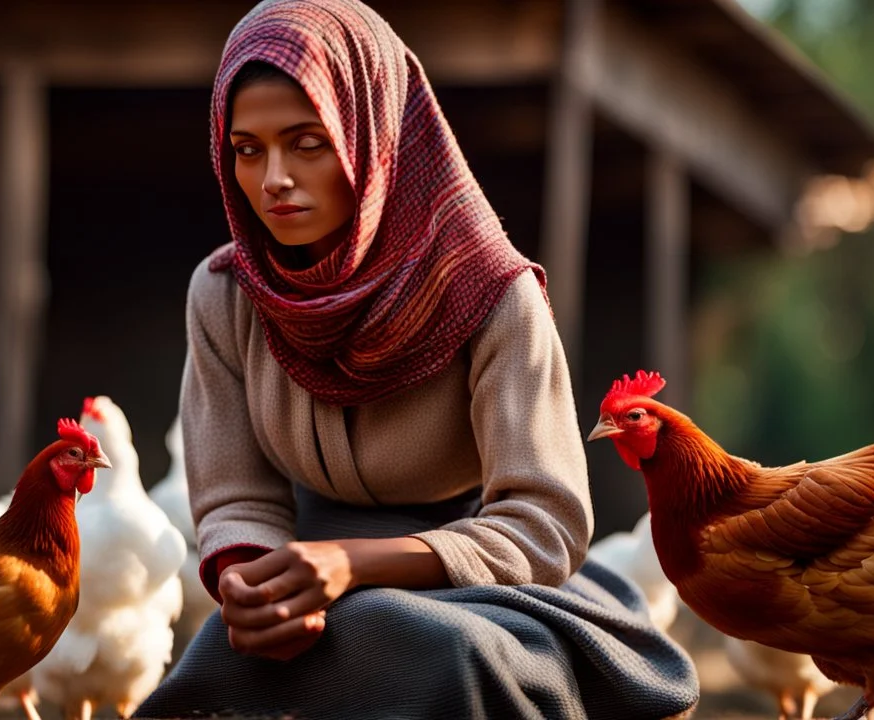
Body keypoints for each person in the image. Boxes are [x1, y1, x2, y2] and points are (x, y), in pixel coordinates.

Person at [135, 1, 700, 718]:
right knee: (215, 659)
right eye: (248, 149)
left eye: (307, 142)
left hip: (479, 588)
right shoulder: (226, 294)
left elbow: (544, 524)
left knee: (435, 647)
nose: (273, 177)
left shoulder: (494, 295)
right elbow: (235, 497)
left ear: (375, 138)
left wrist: (352, 564)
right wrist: (251, 583)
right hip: (302, 591)